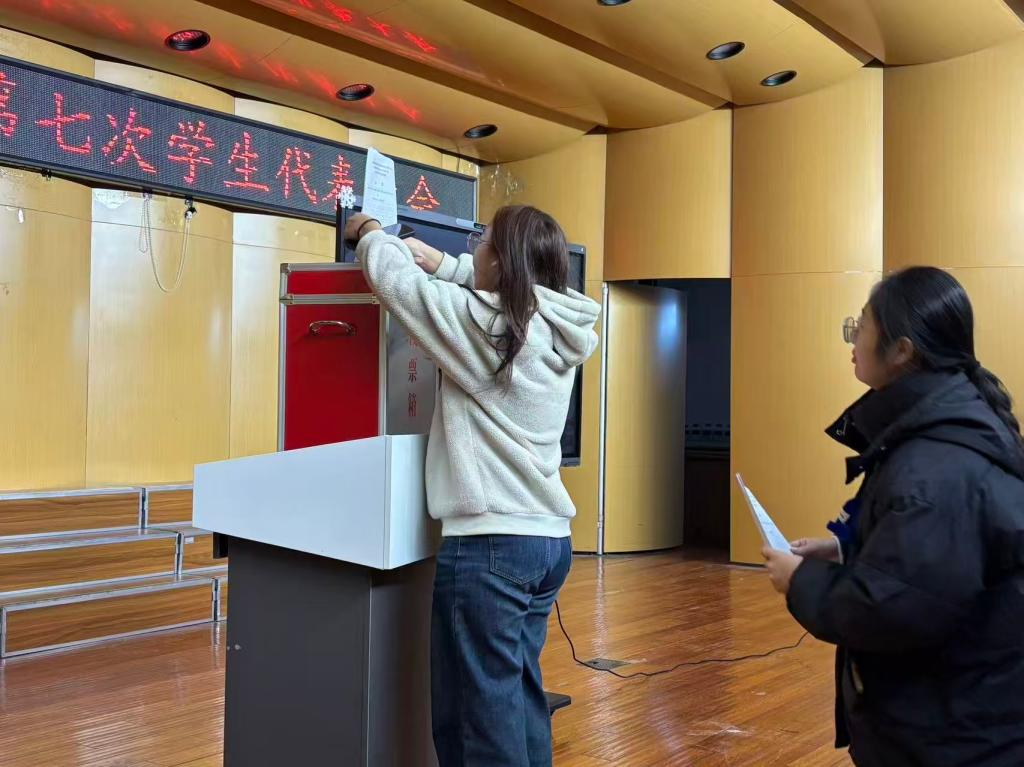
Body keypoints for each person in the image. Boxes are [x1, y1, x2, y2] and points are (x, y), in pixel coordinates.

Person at [345, 205, 600, 767]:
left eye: (481, 242)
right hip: (546, 543)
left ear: (502, 262)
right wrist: (445, 264)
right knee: (518, 701)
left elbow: (397, 285)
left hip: (490, 549)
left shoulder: (487, 329)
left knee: (477, 723)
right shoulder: (553, 324)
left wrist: (370, 232)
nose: (473, 250)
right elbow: (495, 294)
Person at [762, 266, 1024, 766]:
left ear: (902, 350)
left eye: (860, 326)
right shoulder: (941, 433)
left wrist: (800, 580)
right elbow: (933, 564)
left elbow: (893, 609)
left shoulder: (937, 464)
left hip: (953, 737)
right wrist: (847, 549)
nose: (852, 340)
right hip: (958, 717)